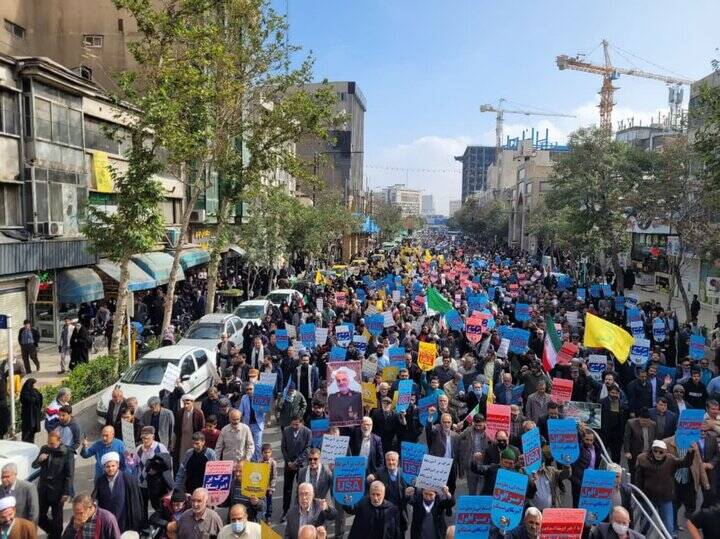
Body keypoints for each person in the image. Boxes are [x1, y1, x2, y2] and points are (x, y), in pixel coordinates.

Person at [635, 439, 696, 536]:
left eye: (661, 452)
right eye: (655, 451)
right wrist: (640, 496)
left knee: (668, 527)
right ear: (652, 450)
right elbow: (638, 479)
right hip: (648, 498)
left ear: (666, 452)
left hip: (666, 499)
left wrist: (690, 452)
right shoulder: (642, 459)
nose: (658, 454)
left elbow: (685, 463)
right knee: (644, 525)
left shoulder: (670, 460)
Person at [33, 431, 73, 539]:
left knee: (57, 519)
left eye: (52, 443)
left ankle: (55, 536)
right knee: (39, 517)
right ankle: (54, 533)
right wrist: (40, 459)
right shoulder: (44, 448)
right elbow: (34, 465)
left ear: (59, 441)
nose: (49, 445)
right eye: (48, 443)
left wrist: (66, 492)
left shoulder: (67, 452)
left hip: (58, 491)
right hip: (43, 490)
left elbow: (69, 474)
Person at [92, 451, 144, 532]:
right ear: (104, 467)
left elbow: (135, 503)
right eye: (108, 466)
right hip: (107, 522)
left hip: (125, 521)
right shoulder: (100, 481)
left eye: (113, 466)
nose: (110, 469)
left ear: (118, 465)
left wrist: (136, 525)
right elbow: (95, 498)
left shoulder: (128, 479)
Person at [280, 416, 312, 521]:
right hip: (289, 465)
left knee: (301, 489)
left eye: (297, 424)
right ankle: (285, 512)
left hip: (301, 466)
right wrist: (288, 461)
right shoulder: (286, 430)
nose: (294, 427)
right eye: (293, 424)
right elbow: (283, 447)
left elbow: (307, 449)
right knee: (287, 489)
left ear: (301, 423)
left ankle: (300, 511)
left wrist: (296, 462)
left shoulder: (307, 432)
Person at [173, 394, 205, 468]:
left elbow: (201, 428)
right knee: (182, 458)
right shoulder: (179, 413)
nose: (186, 405)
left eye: (188, 403)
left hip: (194, 439)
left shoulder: (199, 413)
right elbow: (176, 428)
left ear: (192, 402)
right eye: (184, 404)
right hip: (182, 440)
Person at [239, 382, 265, 461]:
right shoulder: (244, 398)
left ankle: (259, 460)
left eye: (251, 389)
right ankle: (253, 460)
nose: (249, 391)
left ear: (254, 389)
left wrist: (262, 407)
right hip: (248, 425)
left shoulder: (260, 397)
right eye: (247, 389)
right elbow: (240, 411)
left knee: (257, 445)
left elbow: (264, 411)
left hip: (257, 424)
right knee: (250, 444)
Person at [19, 378, 43, 443]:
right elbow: (29, 400)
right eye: (34, 384)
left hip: (34, 417)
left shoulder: (34, 392)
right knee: (26, 434)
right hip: (28, 418)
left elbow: (39, 401)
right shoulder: (25, 393)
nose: (35, 386)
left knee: (32, 433)